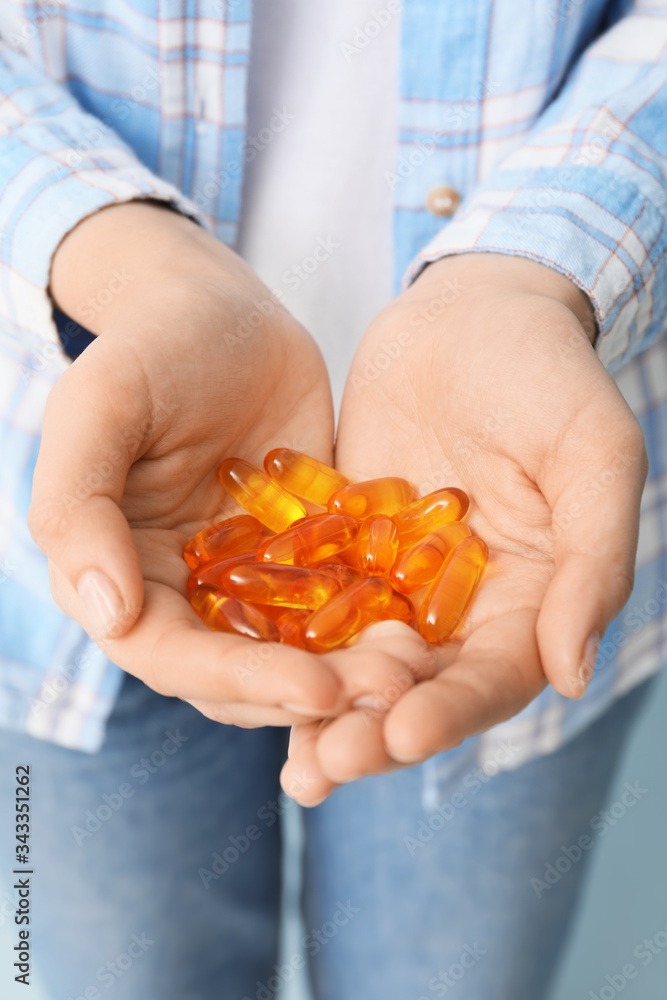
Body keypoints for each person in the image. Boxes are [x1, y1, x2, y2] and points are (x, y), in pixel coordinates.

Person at [0, 1, 665, 997]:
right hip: (89, 469)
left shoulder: (407, 543)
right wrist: (116, 254)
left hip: (526, 483)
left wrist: (531, 272)